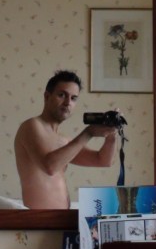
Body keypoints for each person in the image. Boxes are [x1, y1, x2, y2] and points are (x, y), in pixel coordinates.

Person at [14, 70, 119, 209]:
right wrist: (88, 133)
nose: (68, 102)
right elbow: (50, 167)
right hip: (39, 221)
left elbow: (103, 160)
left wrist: (111, 136)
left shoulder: (63, 140)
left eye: (74, 98)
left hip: (60, 220)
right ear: (47, 96)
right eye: (62, 95)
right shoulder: (31, 126)